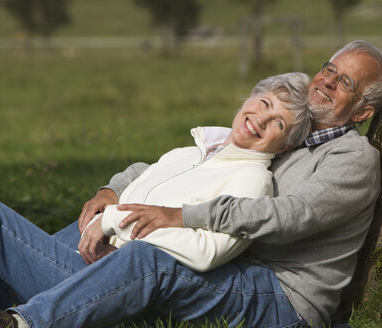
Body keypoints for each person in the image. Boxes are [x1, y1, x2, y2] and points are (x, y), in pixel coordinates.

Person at [0, 40, 382, 328]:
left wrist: (178, 217)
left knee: (145, 257)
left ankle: (22, 321)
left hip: (278, 292)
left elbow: (291, 215)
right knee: (85, 229)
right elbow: (187, 164)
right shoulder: (290, 130)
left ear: (362, 111)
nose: (328, 82)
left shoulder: (352, 159)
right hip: (229, 260)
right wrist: (115, 190)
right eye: (329, 68)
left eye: (347, 83)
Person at [79, 72, 313, 271]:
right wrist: (110, 193)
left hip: (117, 271)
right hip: (94, 246)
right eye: (264, 103)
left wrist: (112, 221)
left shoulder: (253, 179)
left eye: (279, 123)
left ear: (285, 146)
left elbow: (206, 252)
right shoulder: (189, 152)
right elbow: (144, 180)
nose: (262, 119)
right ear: (248, 100)